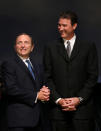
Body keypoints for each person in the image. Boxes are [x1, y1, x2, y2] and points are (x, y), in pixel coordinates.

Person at [43, 11, 98, 131]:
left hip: (82, 113)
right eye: (59, 25)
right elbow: (47, 77)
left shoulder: (88, 46)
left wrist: (79, 99)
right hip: (58, 113)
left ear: (74, 26)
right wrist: (59, 100)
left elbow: (93, 76)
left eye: (64, 25)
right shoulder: (50, 47)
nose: (60, 28)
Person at [3, 33, 50, 131]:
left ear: (32, 47)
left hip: (39, 120)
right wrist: (36, 96)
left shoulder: (38, 65)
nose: (23, 45)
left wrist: (45, 91)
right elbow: (11, 89)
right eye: (19, 43)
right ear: (15, 47)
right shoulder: (9, 64)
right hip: (19, 121)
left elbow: (42, 85)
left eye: (26, 42)